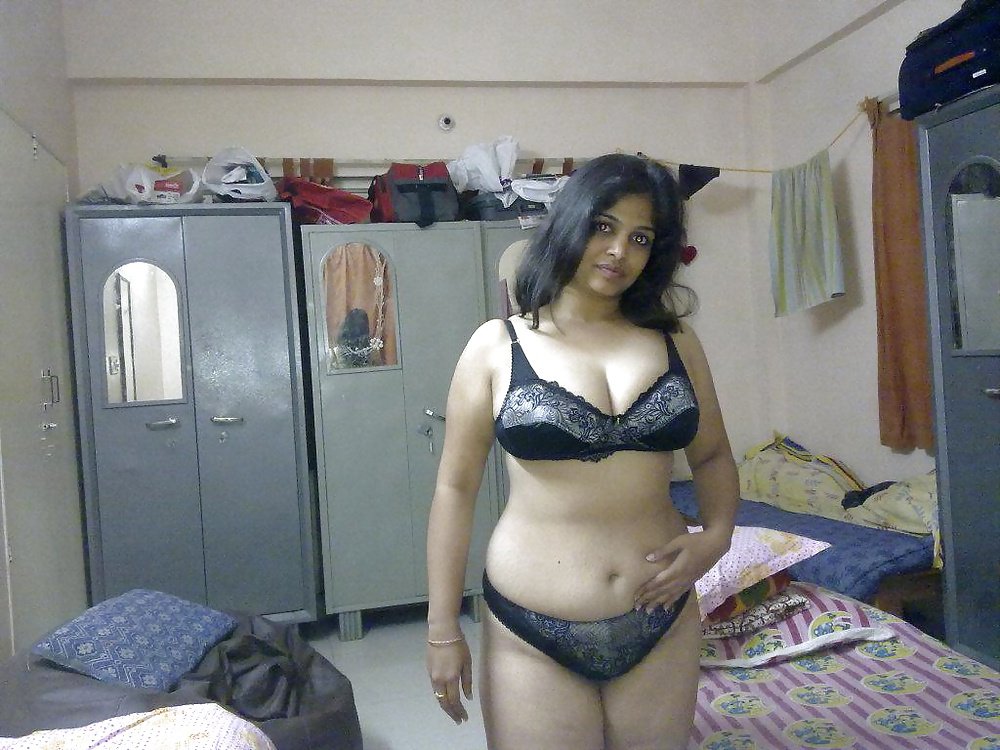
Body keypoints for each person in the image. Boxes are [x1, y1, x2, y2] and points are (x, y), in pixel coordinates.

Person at [425, 153, 739, 749]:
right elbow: (455, 489)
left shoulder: (677, 342)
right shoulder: (497, 346)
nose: (619, 250)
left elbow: (714, 456)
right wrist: (442, 628)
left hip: (661, 618)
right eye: (603, 226)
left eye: (640, 237)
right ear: (570, 224)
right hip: (530, 628)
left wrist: (718, 535)